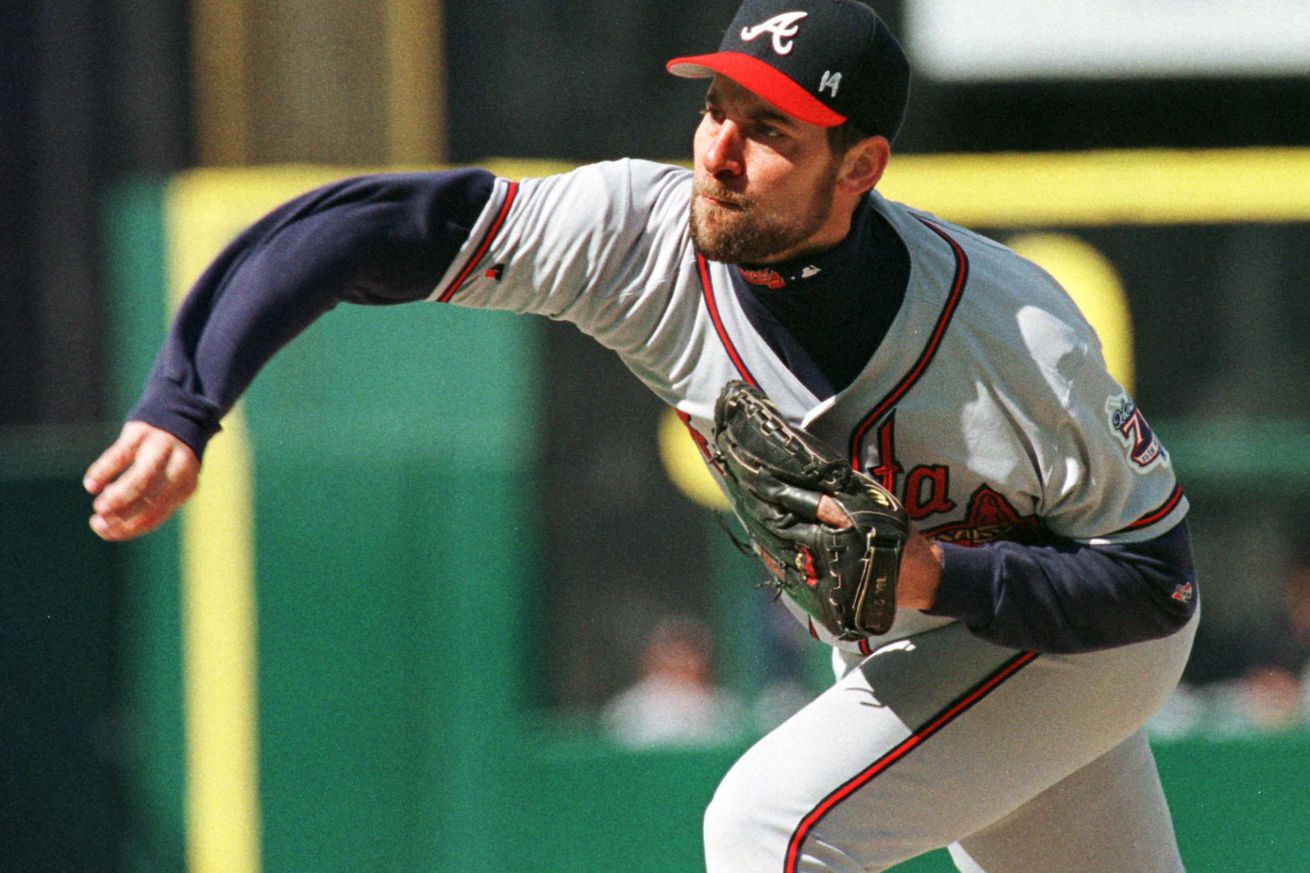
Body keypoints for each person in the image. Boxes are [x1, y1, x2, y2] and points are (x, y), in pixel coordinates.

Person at [84, 0, 1200, 869]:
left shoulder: (1012, 331)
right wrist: (185, 400)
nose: (719, 148)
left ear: (857, 166)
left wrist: (930, 570)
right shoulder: (635, 234)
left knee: (774, 830)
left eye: (769, 130)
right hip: (921, 640)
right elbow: (367, 227)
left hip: (1080, 638)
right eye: (717, 104)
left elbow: (1154, 589)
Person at [601, 616, 745, 748]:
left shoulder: (724, 705)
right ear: (650, 657)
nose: (682, 660)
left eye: (690, 652)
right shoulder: (628, 708)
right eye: (673, 652)